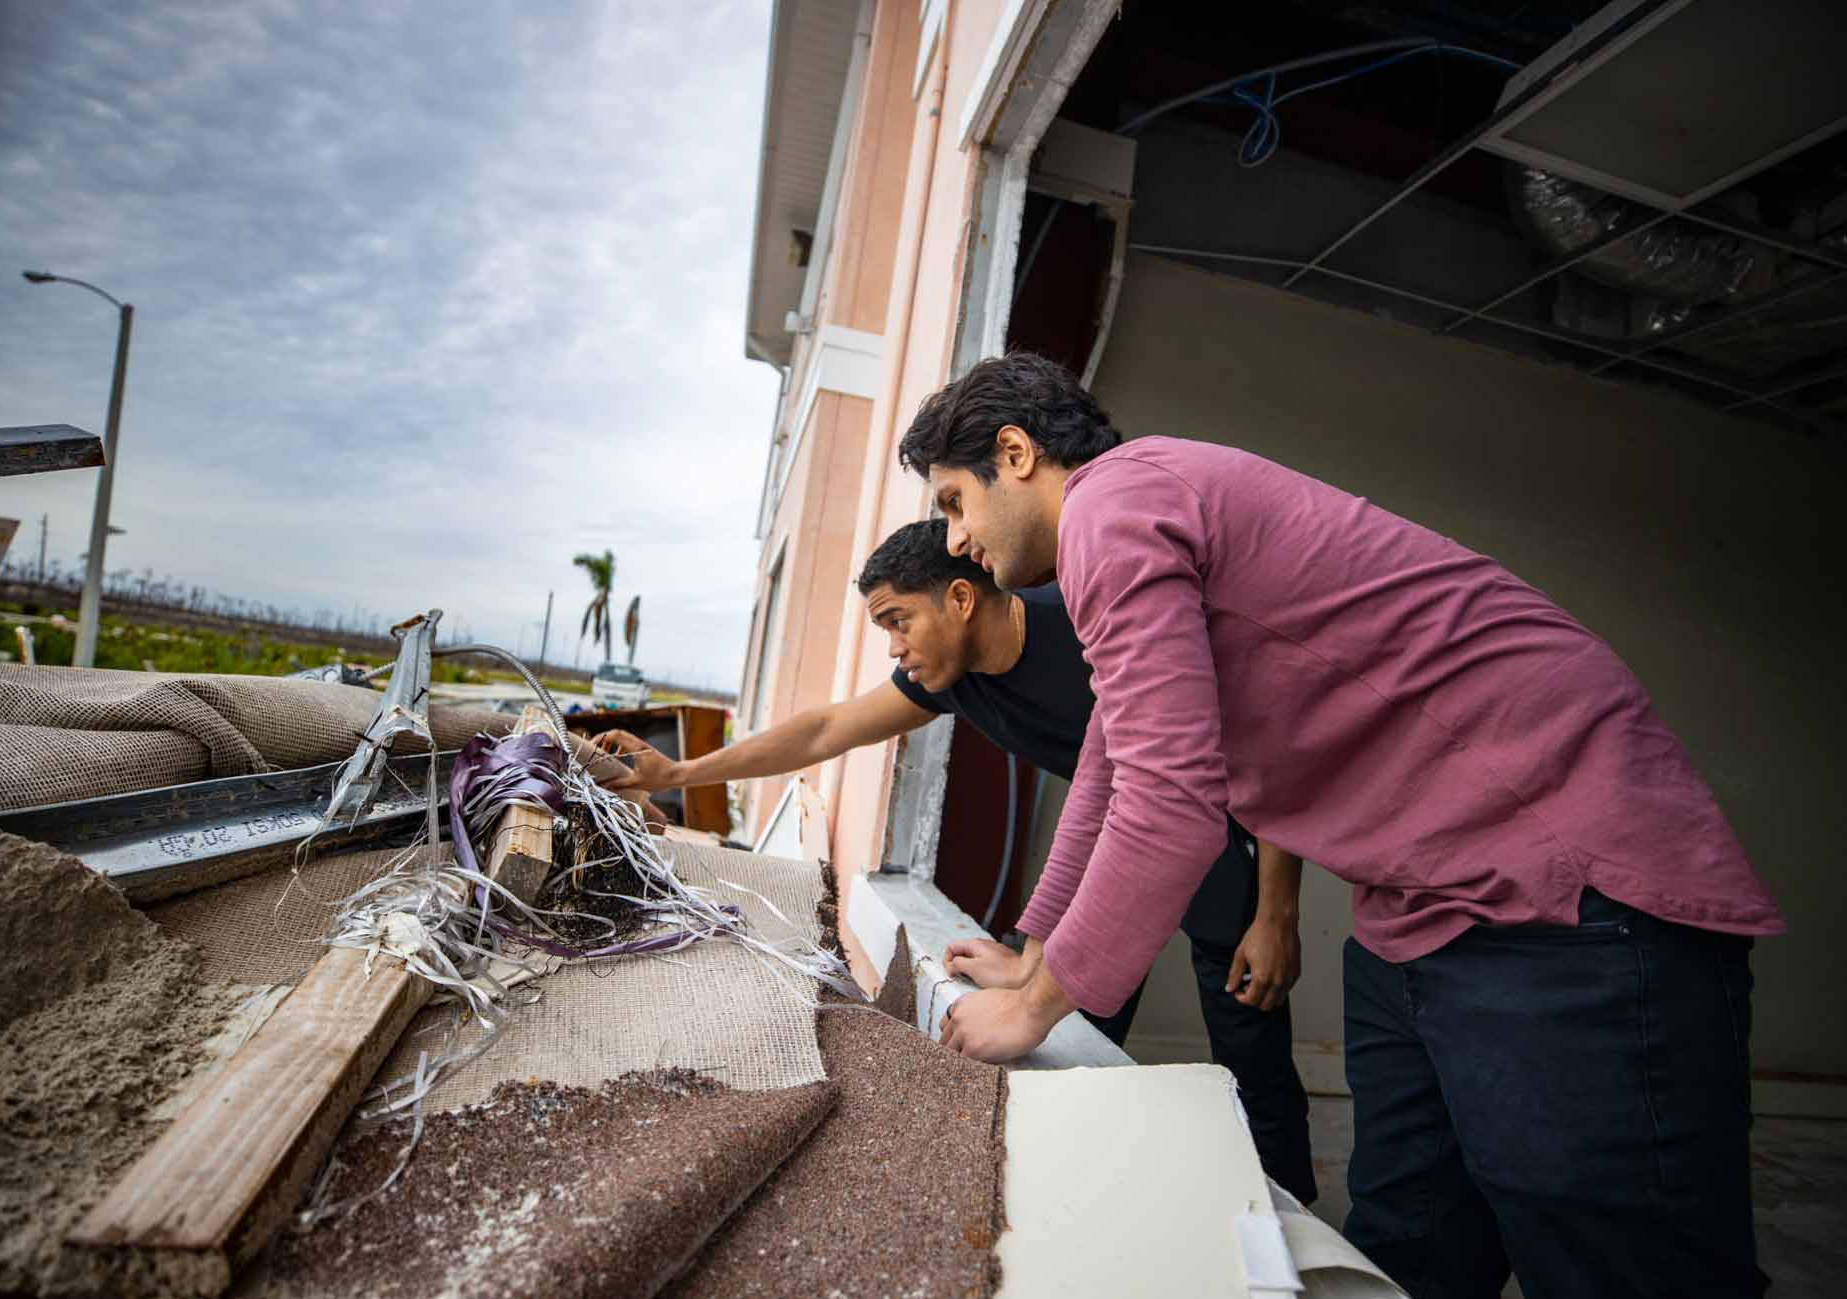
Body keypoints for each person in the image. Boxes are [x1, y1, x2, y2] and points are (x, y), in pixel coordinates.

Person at [895, 351, 1783, 1299]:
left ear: (1018, 453)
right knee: (1406, 1244)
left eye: (954, 502)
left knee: (1620, 1258)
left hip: (1564, 879)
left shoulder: (1115, 507)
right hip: (1418, 908)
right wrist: (1032, 953)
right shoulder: (1114, 541)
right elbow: (1111, 764)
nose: (955, 540)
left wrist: (1032, 1010)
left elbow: (1171, 801)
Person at [598, 518, 1317, 1201]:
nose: (893, 647)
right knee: (1077, 1048)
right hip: (1123, 853)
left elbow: (1263, 733)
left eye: (897, 621)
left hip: (1226, 847)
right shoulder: (951, 677)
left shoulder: (1088, 620)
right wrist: (681, 774)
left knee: (1251, 1056)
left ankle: (1308, 1238)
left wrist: (1277, 908)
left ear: (962, 597)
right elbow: (827, 728)